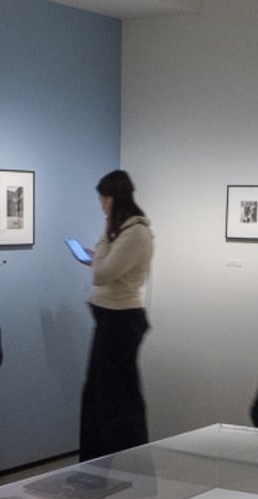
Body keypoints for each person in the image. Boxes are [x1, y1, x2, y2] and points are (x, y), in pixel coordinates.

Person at [80, 169, 154, 460]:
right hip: (110, 318)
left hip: (121, 322)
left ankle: (124, 464)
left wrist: (103, 238)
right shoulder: (124, 231)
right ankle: (97, 464)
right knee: (100, 396)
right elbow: (105, 269)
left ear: (112, 198)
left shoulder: (135, 232)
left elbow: (101, 273)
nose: (101, 206)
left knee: (118, 400)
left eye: (103, 199)